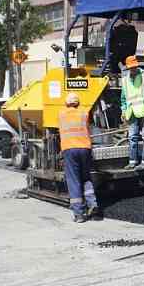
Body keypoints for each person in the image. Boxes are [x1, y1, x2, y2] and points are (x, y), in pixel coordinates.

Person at [58, 93, 101, 223]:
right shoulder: (84, 113)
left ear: (67, 103)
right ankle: (92, 204)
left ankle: (79, 214)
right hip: (85, 148)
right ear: (78, 103)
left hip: (69, 150)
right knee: (86, 178)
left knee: (74, 180)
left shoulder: (61, 114)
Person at [121, 55, 144, 171]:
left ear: (137, 66)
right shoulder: (125, 80)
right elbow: (123, 98)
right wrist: (123, 109)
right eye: (130, 68)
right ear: (128, 68)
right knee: (132, 137)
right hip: (131, 112)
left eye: (134, 67)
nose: (132, 69)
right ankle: (132, 161)